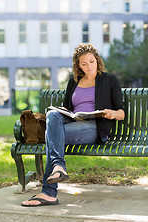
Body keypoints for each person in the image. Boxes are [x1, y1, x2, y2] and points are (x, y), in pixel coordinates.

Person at [21, 43, 125, 207]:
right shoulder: (74, 82)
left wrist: (112, 114)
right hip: (73, 122)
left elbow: (122, 112)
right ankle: (57, 169)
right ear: (78, 65)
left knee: (52, 136)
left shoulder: (109, 80)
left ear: (97, 60)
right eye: (84, 64)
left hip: (94, 128)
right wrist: (65, 112)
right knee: (52, 114)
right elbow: (67, 109)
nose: (89, 66)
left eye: (92, 61)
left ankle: (49, 191)